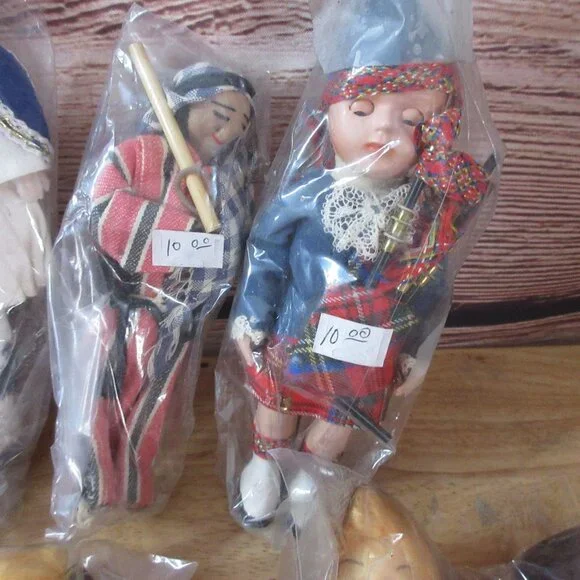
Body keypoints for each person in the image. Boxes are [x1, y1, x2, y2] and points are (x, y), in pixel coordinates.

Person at [224, 0, 491, 523]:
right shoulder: (308, 194)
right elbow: (266, 254)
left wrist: (417, 348)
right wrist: (252, 314)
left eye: (411, 119)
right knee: (276, 404)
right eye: (362, 110)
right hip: (293, 329)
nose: (384, 131)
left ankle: (311, 472)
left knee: (339, 420)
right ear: (327, 113)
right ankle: (265, 460)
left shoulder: (426, 212)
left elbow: (429, 282)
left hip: (369, 349)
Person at [81, 62, 256, 517]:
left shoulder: (225, 182)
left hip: (174, 318)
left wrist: (205, 255)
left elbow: (226, 254)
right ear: (182, 107)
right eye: (221, 115)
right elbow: (102, 214)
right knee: (102, 392)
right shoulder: (136, 153)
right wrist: (183, 232)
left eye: (240, 125)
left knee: (151, 402)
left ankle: (133, 484)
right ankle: (95, 480)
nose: (228, 132)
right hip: (119, 306)